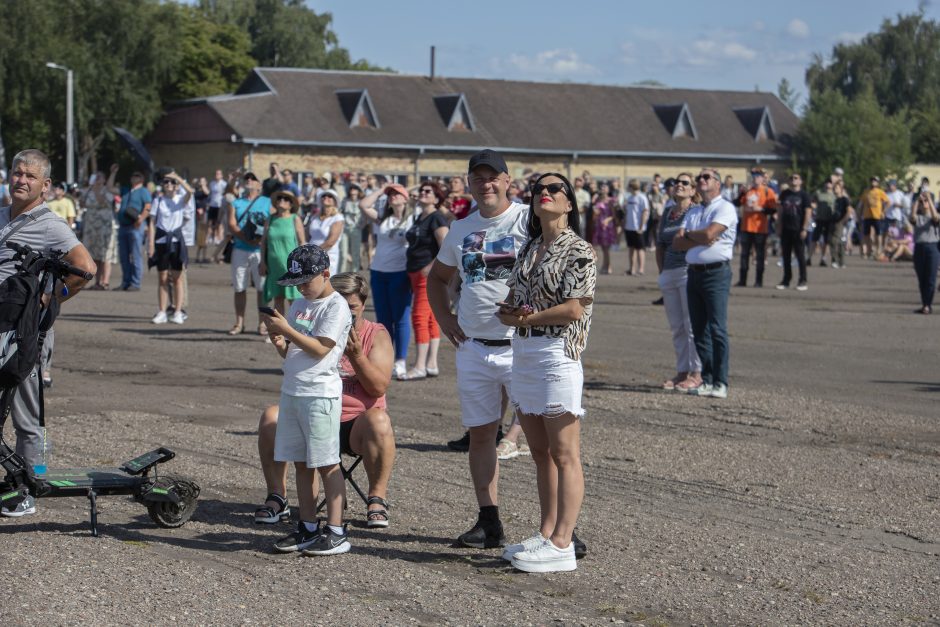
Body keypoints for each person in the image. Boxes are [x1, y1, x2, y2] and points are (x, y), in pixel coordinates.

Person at [427, 149, 529, 549]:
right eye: (477, 178)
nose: (485, 184)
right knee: (482, 435)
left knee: (541, 438)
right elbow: (437, 278)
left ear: (507, 181)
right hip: (473, 346)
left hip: (523, 344)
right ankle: (489, 521)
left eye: (493, 177)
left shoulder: (528, 220)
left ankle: (558, 528)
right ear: (468, 183)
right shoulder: (461, 228)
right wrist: (445, 319)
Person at [495, 172, 596, 573]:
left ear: (569, 203)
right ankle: (546, 532)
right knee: (540, 453)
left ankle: (563, 542)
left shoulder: (580, 250)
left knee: (565, 453)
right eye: (539, 190)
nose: (545, 194)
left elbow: (575, 308)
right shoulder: (530, 247)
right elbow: (514, 300)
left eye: (555, 190)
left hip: (557, 353)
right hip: (525, 352)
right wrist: (508, 312)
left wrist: (527, 317)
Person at [255, 272, 396, 527]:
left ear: (363, 304)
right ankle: (278, 496)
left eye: (351, 307)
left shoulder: (376, 335)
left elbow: (378, 388)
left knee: (380, 421)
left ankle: (377, 498)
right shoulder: (316, 321)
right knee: (270, 417)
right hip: (315, 411)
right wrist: (281, 346)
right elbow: (300, 362)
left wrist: (357, 357)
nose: (344, 313)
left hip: (354, 423)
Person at [0, 149, 96, 517]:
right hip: (1, 326)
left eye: (29, 176)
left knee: (28, 416)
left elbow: (85, 267)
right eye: (16, 172)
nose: (20, 180)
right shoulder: (2, 216)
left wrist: (52, 299)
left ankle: (33, 486)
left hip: (24, 336)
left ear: (45, 185)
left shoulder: (51, 224)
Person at [262, 245, 353, 555]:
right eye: (297, 283)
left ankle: (337, 530)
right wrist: (279, 341)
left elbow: (321, 348)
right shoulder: (300, 303)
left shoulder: (336, 306)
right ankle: (308, 525)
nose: (301, 288)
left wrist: (287, 328)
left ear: (325, 274)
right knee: (301, 463)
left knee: (327, 463)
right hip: (293, 390)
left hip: (320, 394)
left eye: (305, 281)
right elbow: (295, 352)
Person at [671, 168, 737, 400]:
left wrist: (692, 235)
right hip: (694, 273)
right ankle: (707, 379)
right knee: (699, 329)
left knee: (717, 328)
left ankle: (721, 381)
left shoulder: (725, 207)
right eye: (699, 178)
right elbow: (677, 243)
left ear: (717, 184)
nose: (701, 180)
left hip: (716, 274)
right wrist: (696, 236)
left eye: (706, 177)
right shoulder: (695, 210)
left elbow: (710, 234)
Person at [360, 183, 413, 378]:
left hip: (400, 272)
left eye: (397, 193)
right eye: (391, 195)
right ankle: (386, 358)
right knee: (383, 319)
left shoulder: (412, 220)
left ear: (405, 198)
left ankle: (400, 361)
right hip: (378, 272)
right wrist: (382, 190)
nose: (393, 196)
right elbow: (364, 205)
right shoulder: (383, 218)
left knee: (400, 318)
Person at [656, 173, 702, 392]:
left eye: (685, 183)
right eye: (677, 182)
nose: (679, 185)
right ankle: (682, 371)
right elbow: (660, 244)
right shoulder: (668, 212)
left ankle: (697, 373)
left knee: (691, 325)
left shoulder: (696, 211)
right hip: (669, 272)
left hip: (687, 271)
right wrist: (662, 272)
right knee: (677, 327)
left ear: (693, 190)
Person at [400, 182, 449, 380]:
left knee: (419, 317)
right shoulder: (420, 216)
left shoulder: (437, 217)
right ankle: (431, 364)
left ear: (437, 198)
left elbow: (446, 246)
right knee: (429, 318)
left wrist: (432, 267)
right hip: (414, 272)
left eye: (428, 192)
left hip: (426, 274)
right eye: (421, 191)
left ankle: (420, 365)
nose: (422, 193)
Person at [226, 171, 272, 335]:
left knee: (262, 288)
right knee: (239, 287)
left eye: (254, 178)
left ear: (260, 185)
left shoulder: (268, 202)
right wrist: (246, 238)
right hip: (240, 248)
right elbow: (231, 224)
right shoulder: (236, 202)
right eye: (247, 178)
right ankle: (239, 323)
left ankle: (262, 323)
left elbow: (272, 222)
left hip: (260, 250)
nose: (250, 181)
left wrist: (261, 239)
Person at [147, 171, 193, 324]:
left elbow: (191, 191)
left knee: (178, 278)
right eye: (166, 182)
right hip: (161, 241)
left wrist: (177, 177)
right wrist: (151, 244)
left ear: (177, 185)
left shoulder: (180, 199)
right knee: (162, 278)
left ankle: (178, 311)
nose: (169, 185)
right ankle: (162, 311)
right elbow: (152, 223)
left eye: (172, 182)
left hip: (176, 241)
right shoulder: (158, 200)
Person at [261, 190, 306, 314]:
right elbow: (263, 242)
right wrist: (262, 262)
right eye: (280, 197)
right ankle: (280, 330)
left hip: (291, 265)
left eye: (286, 199)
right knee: (278, 298)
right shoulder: (270, 219)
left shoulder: (294, 219)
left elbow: (302, 242)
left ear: (291, 204)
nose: (282, 200)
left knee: (293, 299)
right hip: (273, 265)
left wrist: (302, 263)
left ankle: (295, 330)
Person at [735, 167, 777, 288]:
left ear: (763, 178)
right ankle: (742, 280)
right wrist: (741, 192)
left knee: (759, 255)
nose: (756, 178)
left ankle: (759, 281)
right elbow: (737, 203)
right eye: (754, 176)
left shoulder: (768, 192)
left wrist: (762, 209)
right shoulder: (748, 191)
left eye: (758, 176)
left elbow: (773, 209)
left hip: (760, 228)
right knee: (744, 254)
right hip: (746, 227)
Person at [81, 165, 119, 290]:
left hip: (105, 226)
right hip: (91, 226)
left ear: (104, 179)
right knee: (94, 255)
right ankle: (97, 282)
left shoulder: (108, 190)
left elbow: (103, 202)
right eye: (95, 177)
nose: (97, 179)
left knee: (105, 255)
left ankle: (105, 282)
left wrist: (97, 189)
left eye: (99, 177)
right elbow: (82, 203)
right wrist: (89, 189)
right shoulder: (89, 190)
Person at [776, 173, 813, 291]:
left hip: (798, 229)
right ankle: (786, 280)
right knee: (786, 256)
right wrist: (779, 226)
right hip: (786, 229)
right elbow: (780, 211)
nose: (793, 180)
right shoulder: (784, 194)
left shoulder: (804, 195)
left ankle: (802, 280)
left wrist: (804, 228)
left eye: (796, 178)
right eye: (791, 178)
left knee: (800, 256)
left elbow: (808, 212)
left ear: (801, 181)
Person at [115, 170, 151, 291]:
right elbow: (110, 188)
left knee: (136, 256)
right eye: (133, 176)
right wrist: (113, 173)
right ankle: (125, 281)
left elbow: (148, 207)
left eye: (137, 176)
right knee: (124, 257)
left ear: (142, 179)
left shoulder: (143, 191)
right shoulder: (126, 191)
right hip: (123, 226)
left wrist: (141, 219)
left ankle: (135, 283)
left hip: (135, 226)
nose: (134, 178)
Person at [909, 190, 940, 314]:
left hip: (932, 247)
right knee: (922, 279)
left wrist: (929, 199)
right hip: (919, 247)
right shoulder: (918, 218)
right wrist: (917, 201)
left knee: (931, 278)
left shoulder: (935, 216)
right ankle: (924, 304)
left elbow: (935, 217)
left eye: (925, 202)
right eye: (922, 202)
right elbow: (912, 217)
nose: (924, 204)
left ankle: (928, 305)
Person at [307, 190, 344, 275]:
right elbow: (307, 236)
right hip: (310, 256)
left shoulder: (337, 218)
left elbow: (331, 242)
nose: (326, 198)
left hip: (327, 256)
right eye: (324, 196)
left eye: (329, 196)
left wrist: (312, 253)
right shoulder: (314, 217)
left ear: (335, 201)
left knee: (325, 284)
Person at [591, 182, 619, 274]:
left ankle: (608, 267)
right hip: (599, 225)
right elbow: (595, 214)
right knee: (603, 248)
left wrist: (607, 220)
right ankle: (605, 266)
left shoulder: (610, 200)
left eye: (605, 187)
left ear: (608, 190)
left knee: (606, 248)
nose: (603, 189)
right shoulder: (598, 200)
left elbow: (613, 215)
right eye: (602, 187)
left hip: (607, 226)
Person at [859, 176, 890, 260]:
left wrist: (883, 212)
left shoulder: (880, 192)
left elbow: (888, 202)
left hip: (877, 216)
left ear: (878, 183)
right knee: (867, 235)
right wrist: (859, 215)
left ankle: (878, 251)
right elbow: (861, 204)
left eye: (875, 181)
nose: (873, 182)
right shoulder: (866, 192)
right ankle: (869, 251)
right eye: (872, 180)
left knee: (878, 234)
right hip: (867, 216)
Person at [623, 179, 649, 275]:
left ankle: (641, 269)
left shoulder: (642, 197)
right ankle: (631, 269)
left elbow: (645, 212)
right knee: (631, 248)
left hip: (638, 228)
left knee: (640, 249)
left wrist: (641, 227)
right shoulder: (629, 198)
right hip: (629, 227)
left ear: (632, 186)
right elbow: (626, 212)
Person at [810, 179, 837, 267]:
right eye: (827, 182)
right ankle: (809, 258)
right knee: (814, 238)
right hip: (819, 219)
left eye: (830, 183)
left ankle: (823, 258)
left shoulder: (834, 195)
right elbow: (812, 202)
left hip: (829, 221)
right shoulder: (819, 193)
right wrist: (813, 207)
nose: (828, 184)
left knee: (826, 240)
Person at [339, 184, 363, 272]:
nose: (353, 191)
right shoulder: (345, 201)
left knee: (355, 254)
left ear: (358, 191)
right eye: (351, 189)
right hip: (345, 229)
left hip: (356, 229)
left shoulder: (361, 201)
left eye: (355, 189)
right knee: (343, 254)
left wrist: (363, 224)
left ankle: (354, 275)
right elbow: (340, 213)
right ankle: (341, 275)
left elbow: (365, 216)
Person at [830, 180, 852, 268]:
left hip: (840, 222)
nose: (835, 189)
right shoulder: (835, 200)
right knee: (838, 242)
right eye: (834, 188)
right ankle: (841, 262)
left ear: (841, 189)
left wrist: (843, 221)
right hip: (833, 222)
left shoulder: (844, 199)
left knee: (835, 241)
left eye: (837, 188)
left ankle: (836, 261)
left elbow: (849, 211)